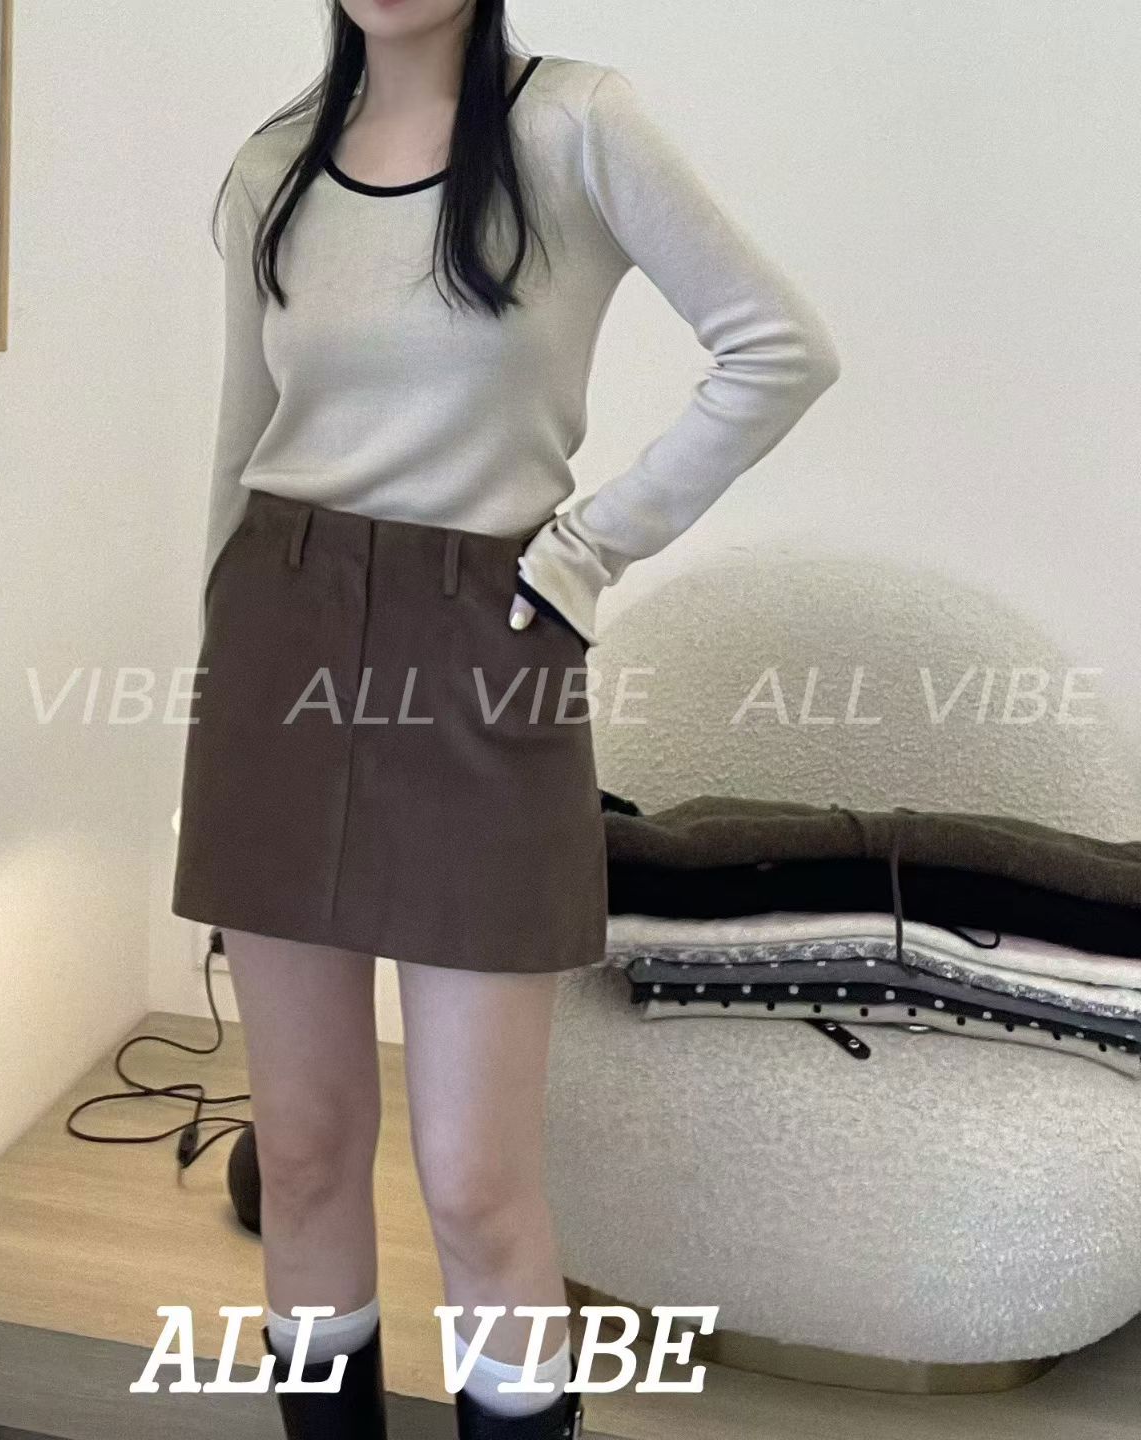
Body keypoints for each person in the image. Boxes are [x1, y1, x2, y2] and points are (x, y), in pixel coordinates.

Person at [172, 3, 841, 1436]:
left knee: (477, 1183)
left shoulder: (577, 125)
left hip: (488, 642)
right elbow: (240, 439)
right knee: (302, 1149)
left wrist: (590, 548)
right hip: (279, 646)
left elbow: (781, 348)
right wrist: (220, 662)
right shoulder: (271, 168)